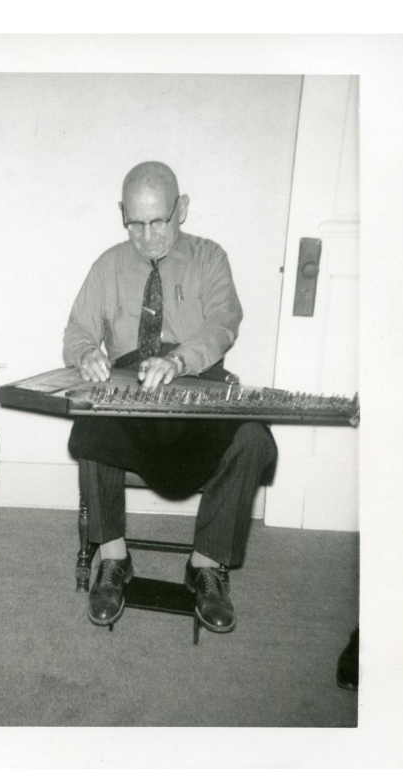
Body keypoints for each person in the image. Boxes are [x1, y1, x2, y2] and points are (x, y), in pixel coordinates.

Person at [63, 161, 278, 633]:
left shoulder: (209, 257)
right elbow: (78, 330)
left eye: (157, 221)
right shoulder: (108, 264)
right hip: (130, 393)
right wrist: (86, 357)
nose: (146, 236)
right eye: (133, 223)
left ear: (181, 209)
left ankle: (206, 565)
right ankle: (114, 560)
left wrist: (180, 360)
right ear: (122, 214)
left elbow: (223, 323)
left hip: (195, 384)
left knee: (253, 439)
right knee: (91, 422)